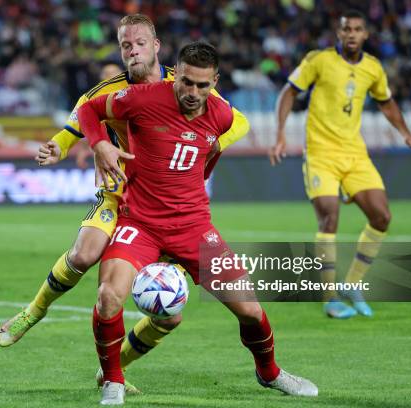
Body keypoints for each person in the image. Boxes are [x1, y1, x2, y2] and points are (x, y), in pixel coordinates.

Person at [0, 14, 250, 393]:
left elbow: (238, 122)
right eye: (125, 45)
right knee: (85, 254)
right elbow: (77, 124)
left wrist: (210, 144)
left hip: (167, 206)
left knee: (169, 315)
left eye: (139, 43)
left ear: (156, 46)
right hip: (120, 194)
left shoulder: (184, 83)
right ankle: (33, 312)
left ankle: (113, 370)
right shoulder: (106, 92)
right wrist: (59, 147)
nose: (132, 51)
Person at [80, 41, 318, 405]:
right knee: (109, 296)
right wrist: (100, 145)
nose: (193, 93)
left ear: (215, 81)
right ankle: (113, 380)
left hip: (194, 229)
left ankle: (269, 373)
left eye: (202, 85)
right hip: (140, 223)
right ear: (176, 74)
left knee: (252, 310)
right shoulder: (141, 99)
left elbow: (211, 153)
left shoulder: (221, 115)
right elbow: (89, 110)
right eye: (186, 82)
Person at [269, 9, 411, 319]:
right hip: (321, 153)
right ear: (338, 33)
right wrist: (281, 134)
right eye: (346, 29)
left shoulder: (373, 68)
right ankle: (329, 298)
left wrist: (406, 133)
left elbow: (386, 102)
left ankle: (353, 283)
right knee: (330, 217)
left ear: (365, 34)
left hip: (355, 154)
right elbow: (289, 92)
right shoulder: (319, 60)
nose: (352, 33)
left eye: (357, 29)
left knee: (382, 216)